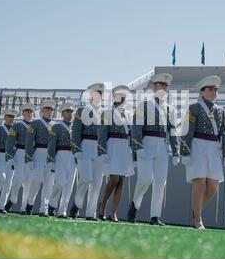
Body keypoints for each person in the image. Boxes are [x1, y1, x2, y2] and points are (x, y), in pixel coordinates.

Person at [128, 73, 180, 226]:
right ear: (154, 87)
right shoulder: (143, 105)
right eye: (160, 84)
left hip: (162, 146)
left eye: (166, 86)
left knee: (160, 182)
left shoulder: (170, 109)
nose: (163, 87)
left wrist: (176, 151)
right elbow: (136, 128)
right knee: (145, 179)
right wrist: (137, 146)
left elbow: (173, 131)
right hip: (147, 143)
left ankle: (155, 216)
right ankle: (135, 204)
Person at [180, 75, 225, 229]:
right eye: (210, 89)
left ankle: (197, 211)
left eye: (215, 90)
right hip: (198, 146)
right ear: (202, 92)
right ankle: (198, 220)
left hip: (214, 147)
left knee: (213, 185)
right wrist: (185, 152)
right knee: (200, 183)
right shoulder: (193, 108)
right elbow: (187, 131)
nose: (213, 92)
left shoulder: (221, 111)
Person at [98, 85, 135, 222]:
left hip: (124, 147)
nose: (123, 98)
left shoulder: (129, 114)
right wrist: (103, 151)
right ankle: (102, 205)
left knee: (121, 182)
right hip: (112, 146)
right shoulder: (107, 113)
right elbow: (102, 133)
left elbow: (132, 134)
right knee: (114, 179)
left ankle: (113, 213)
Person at [70, 83, 105, 221]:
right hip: (85, 146)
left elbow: (105, 134)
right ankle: (77, 204)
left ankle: (91, 213)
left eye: (100, 94)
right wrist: (76, 149)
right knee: (86, 178)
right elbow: (76, 131)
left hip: (99, 148)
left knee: (97, 183)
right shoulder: (81, 111)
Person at [25, 99, 56, 215]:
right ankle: (30, 202)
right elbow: (29, 142)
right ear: (42, 111)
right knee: (37, 180)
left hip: (51, 155)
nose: (49, 111)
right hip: (38, 153)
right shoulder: (35, 124)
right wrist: (29, 158)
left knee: (49, 183)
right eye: (47, 109)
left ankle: (44, 208)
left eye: (51, 109)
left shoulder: (55, 126)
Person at [46, 102, 77, 218]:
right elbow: (52, 144)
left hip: (72, 157)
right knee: (60, 182)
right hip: (60, 155)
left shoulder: (76, 127)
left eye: (71, 112)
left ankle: (62, 211)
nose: (70, 114)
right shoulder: (56, 127)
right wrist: (50, 160)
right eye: (67, 112)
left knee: (69, 186)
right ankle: (52, 204)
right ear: (62, 113)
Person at [4, 103, 35, 214]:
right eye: (27, 111)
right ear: (23, 113)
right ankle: (13, 199)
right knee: (18, 179)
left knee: (28, 182)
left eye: (31, 112)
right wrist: (9, 156)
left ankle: (24, 207)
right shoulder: (17, 126)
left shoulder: (36, 125)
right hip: (20, 153)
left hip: (32, 154)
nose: (29, 113)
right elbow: (10, 142)